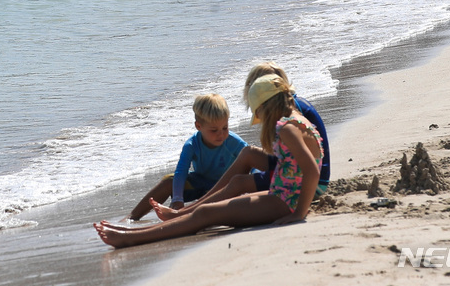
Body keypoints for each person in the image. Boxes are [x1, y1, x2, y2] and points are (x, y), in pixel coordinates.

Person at [94, 74, 323, 248]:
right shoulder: (298, 119)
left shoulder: (286, 129)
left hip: (285, 200)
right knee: (207, 210)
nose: (260, 120)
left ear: (264, 107)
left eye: (258, 113)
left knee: (205, 215)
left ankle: (131, 238)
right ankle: (136, 232)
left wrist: (298, 213)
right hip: (283, 194)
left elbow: (312, 171)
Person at [150, 62, 331, 222]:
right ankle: (192, 209)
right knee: (248, 154)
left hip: (304, 181)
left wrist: (297, 212)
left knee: (239, 182)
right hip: (297, 170)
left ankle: (190, 211)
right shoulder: (293, 104)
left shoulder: (289, 114)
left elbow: (304, 165)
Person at [128, 93, 247, 221]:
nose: (221, 134)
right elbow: (181, 171)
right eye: (214, 130)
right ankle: (132, 217)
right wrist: (178, 199)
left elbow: (252, 160)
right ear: (198, 126)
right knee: (169, 181)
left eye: (225, 127)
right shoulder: (192, 144)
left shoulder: (233, 141)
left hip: (226, 187)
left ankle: (187, 217)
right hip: (201, 183)